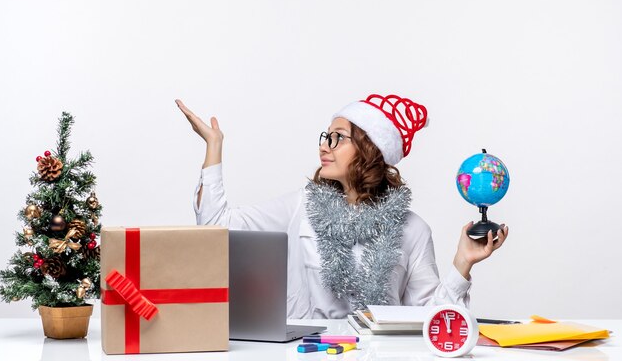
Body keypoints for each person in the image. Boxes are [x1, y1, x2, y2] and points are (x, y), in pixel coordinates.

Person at [176, 94, 508, 319]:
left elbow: (430, 320)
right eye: (325, 136)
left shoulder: (413, 230)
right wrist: (214, 146)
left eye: (337, 137)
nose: (325, 145)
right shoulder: (302, 209)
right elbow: (216, 225)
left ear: (370, 149)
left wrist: (463, 263)